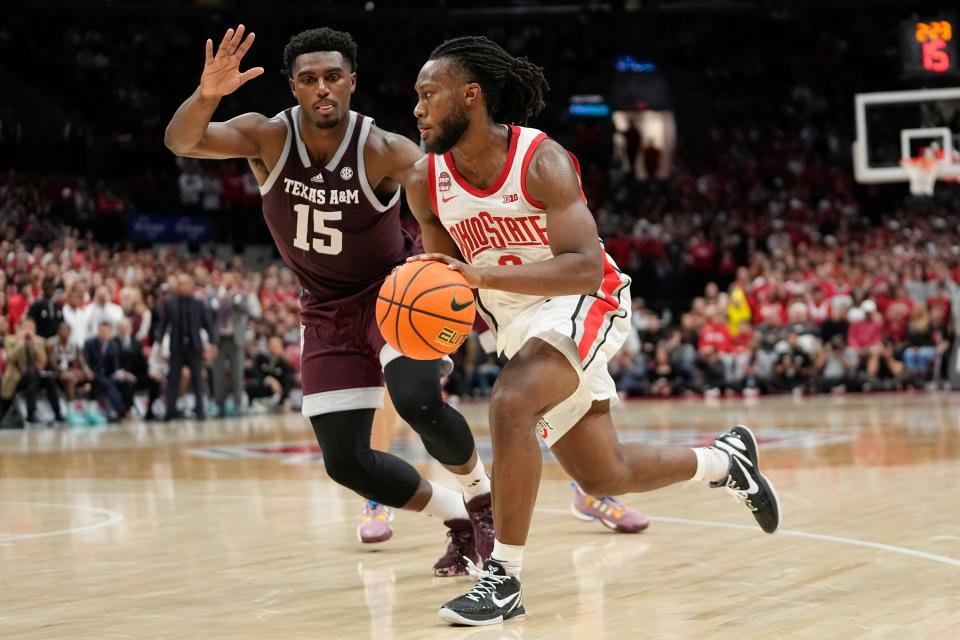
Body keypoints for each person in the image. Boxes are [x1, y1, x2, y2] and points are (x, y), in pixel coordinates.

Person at [403, 36, 781, 625]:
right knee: (606, 473)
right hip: (516, 324)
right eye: (416, 97)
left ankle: (503, 579)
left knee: (511, 403)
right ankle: (724, 460)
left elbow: (582, 266)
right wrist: (440, 330)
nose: (418, 109)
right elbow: (446, 285)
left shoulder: (540, 160)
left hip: (581, 301)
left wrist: (475, 272)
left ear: (470, 96)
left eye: (429, 95)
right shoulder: (426, 181)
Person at [164, 25, 493, 575]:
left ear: (351, 82)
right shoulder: (266, 137)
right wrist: (207, 97)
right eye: (310, 79)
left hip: (393, 292)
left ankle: (484, 504)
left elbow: (440, 210)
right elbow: (182, 141)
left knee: (416, 397)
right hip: (323, 308)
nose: (323, 88)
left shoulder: (385, 149)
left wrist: (460, 280)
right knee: (346, 462)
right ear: (293, 87)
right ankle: (457, 517)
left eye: (333, 77)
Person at [154, 275, 217, 421]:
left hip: (194, 346)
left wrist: (213, 342)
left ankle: (200, 410)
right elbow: (163, 325)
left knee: (197, 379)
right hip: (177, 346)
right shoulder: (170, 303)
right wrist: (159, 343)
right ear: (178, 286)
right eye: (182, 284)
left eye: (187, 284)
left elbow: (207, 324)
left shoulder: (198, 303)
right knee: (173, 379)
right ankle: (170, 411)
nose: (185, 287)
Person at [1, 317, 63, 425]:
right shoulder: (11, 339)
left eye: (31, 328)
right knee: (31, 377)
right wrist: (21, 343)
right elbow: (10, 358)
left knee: (49, 379)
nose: (28, 330)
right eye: (26, 327)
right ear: (21, 328)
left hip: (34, 376)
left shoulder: (39, 340)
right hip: (17, 377)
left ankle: (58, 414)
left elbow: (43, 360)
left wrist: (33, 344)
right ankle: (31, 414)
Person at [82, 321, 130, 422]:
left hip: (109, 375)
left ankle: (129, 409)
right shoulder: (89, 343)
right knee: (108, 383)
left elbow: (116, 366)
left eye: (106, 331)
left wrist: (121, 374)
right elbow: (85, 362)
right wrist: (87, 373)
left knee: (127, 383)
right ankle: (122, 412)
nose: (103, 333)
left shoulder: (114, 345)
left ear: (110, 332)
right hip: (94, 375)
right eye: (101, 331)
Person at [244, 335, 292, 406]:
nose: (274, 348)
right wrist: (269, 380)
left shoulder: (283, 363)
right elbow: (254, 372)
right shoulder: (260, 358)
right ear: (268, 345)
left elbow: (287, 382)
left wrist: (284, 399)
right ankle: (250, 405)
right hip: (260, 390)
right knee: (251, 385)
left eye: (277, 345)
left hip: (276, 396)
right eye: (272, 345)